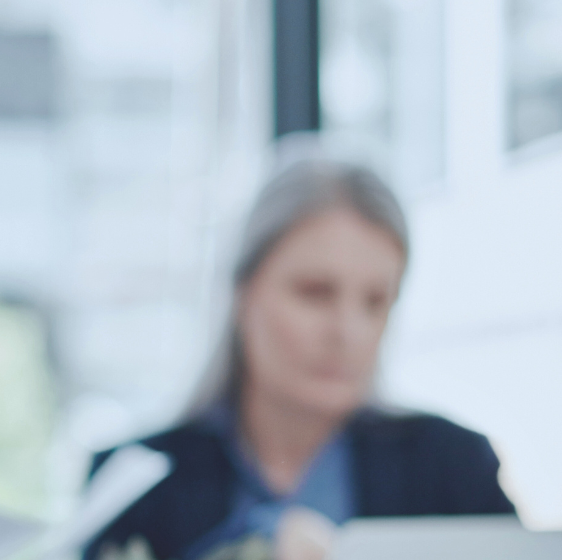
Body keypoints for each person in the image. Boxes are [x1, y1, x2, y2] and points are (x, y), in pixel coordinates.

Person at [85, 160, 513, 560]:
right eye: (315, 292)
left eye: (375, 302)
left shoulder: (455, 470)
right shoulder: (133, 485)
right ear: (243, 291)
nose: (348, 332)